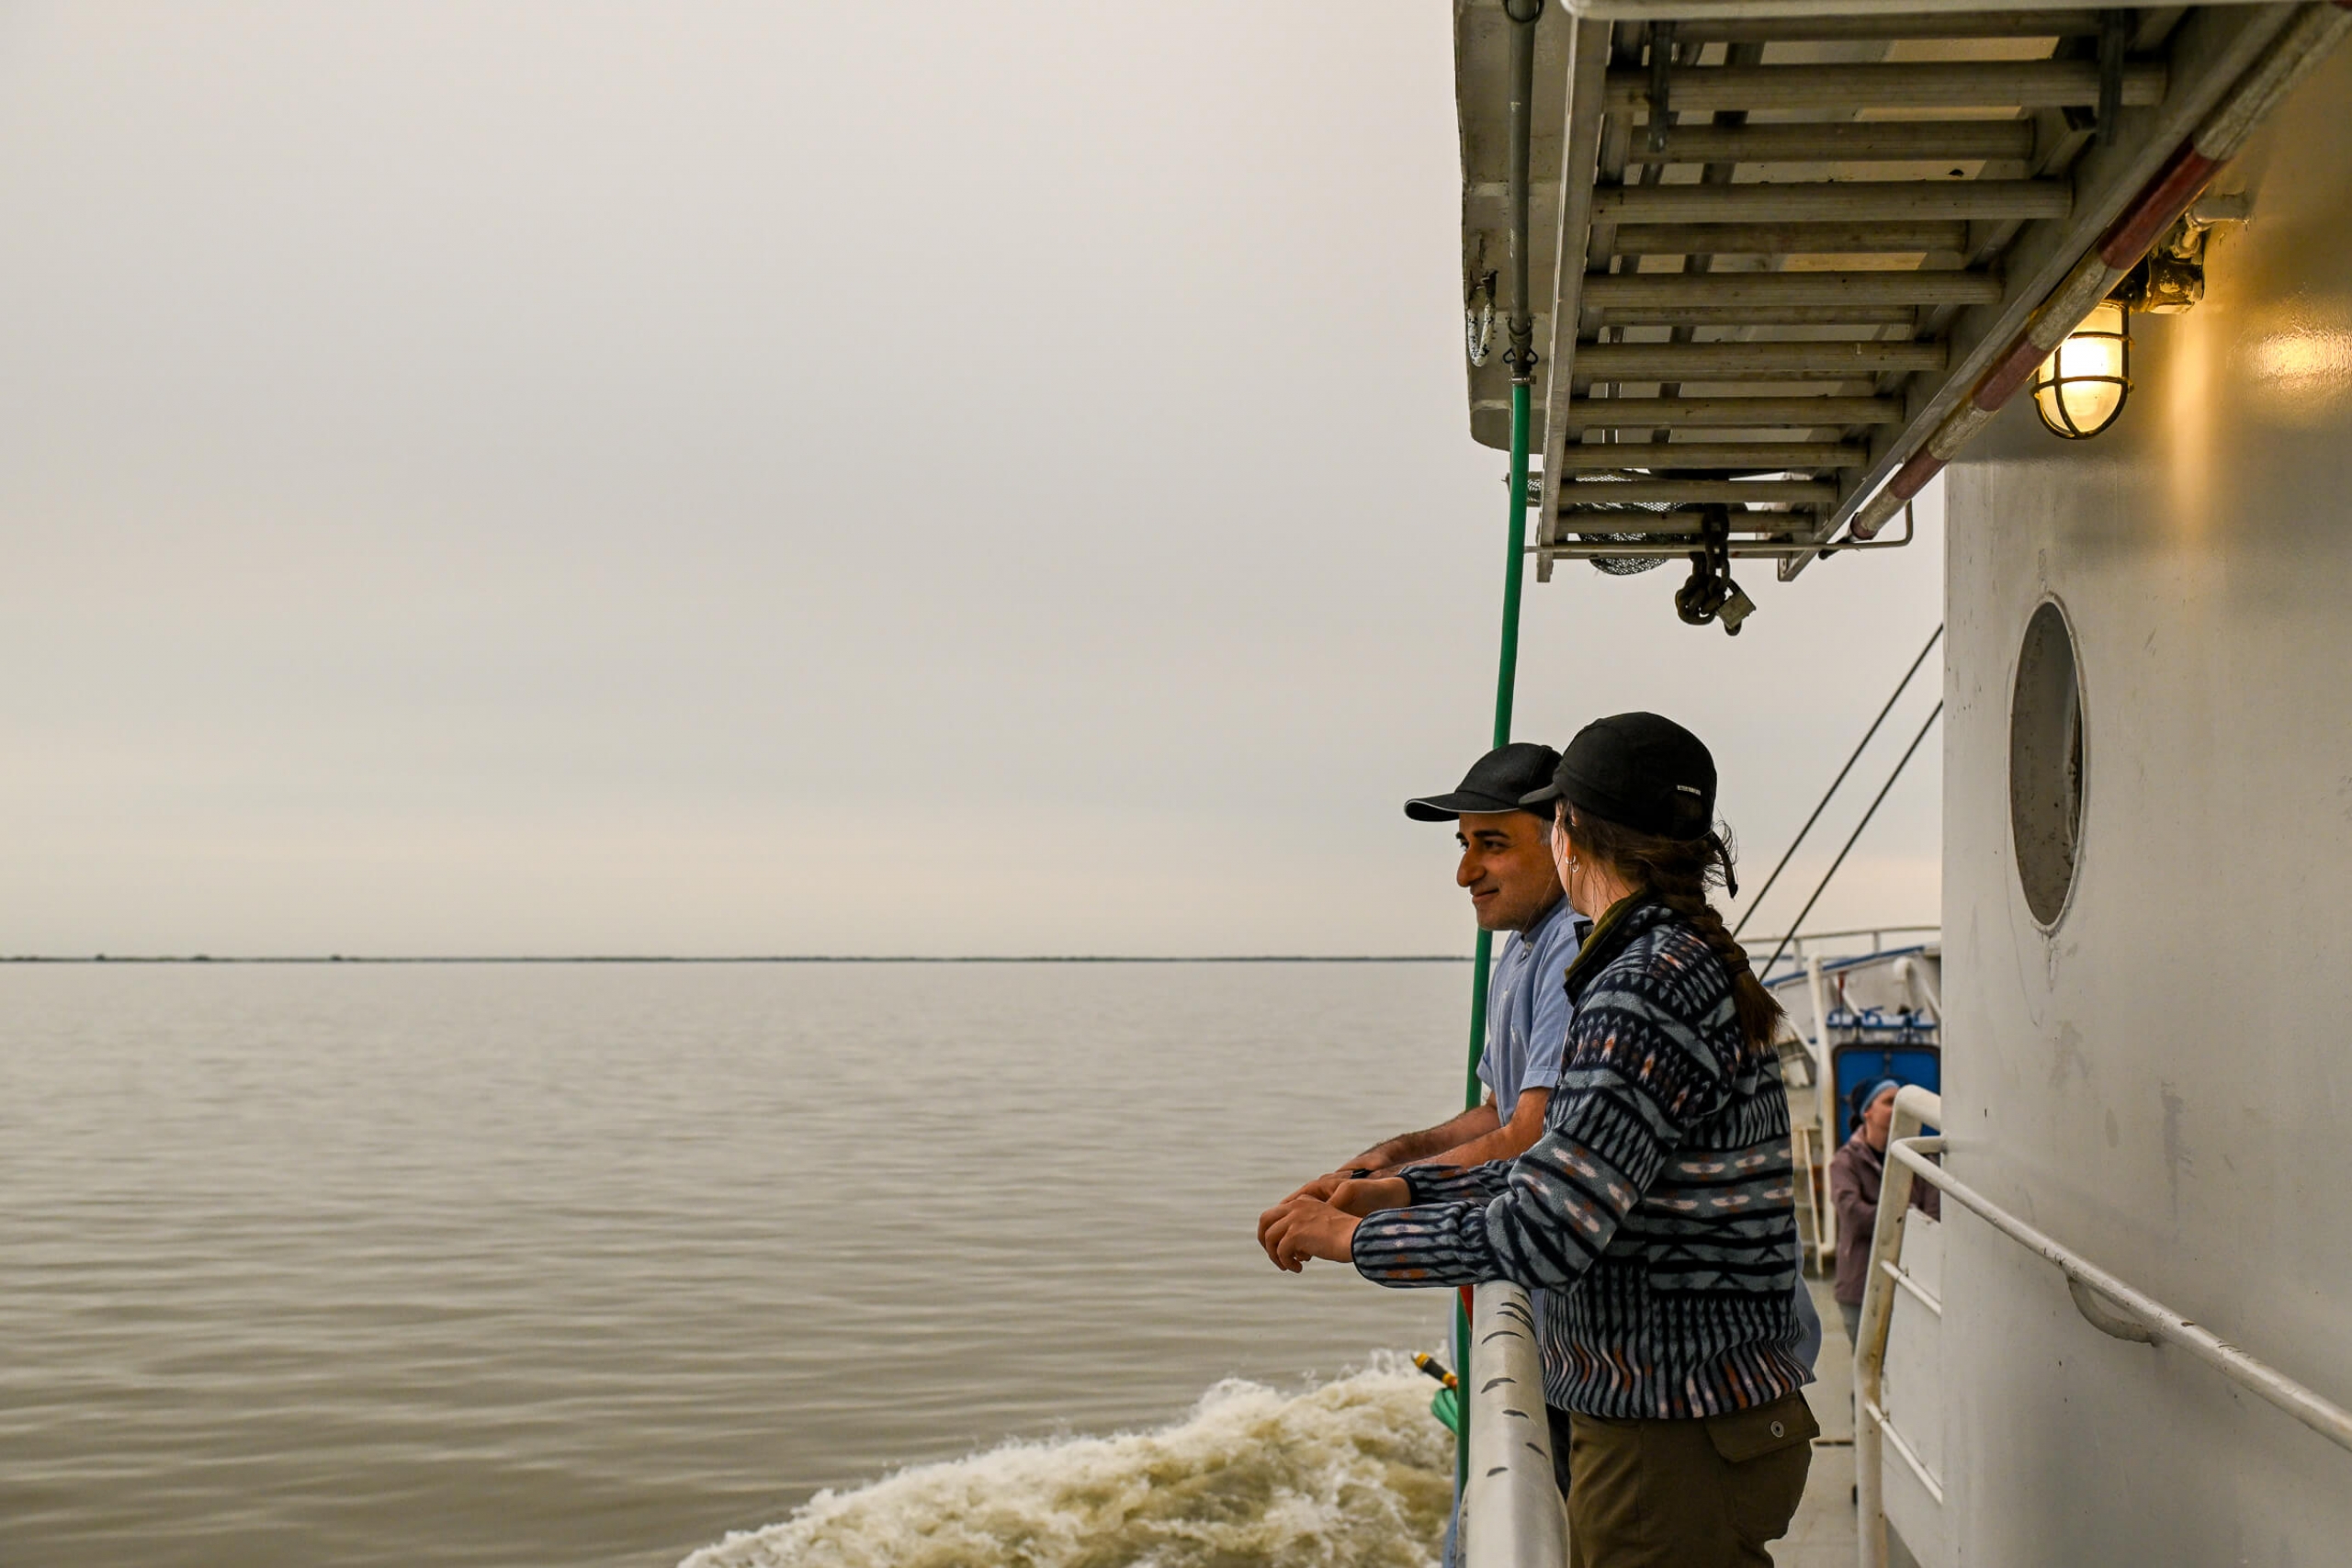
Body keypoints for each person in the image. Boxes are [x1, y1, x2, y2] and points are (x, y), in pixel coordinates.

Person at [1261, 713, 1815, 1568]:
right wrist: (1400, 1188)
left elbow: (1549, 1227)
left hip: (1673, 1432)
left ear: (1571, 834)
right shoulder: (1668, 959)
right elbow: (1565, 1168)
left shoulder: (1644, 985)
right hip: (1690, 1423)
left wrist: (1355, 1237)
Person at [1267, 742, 1580, 1204]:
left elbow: (1533, 1134)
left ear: (1561, 843)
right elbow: (1500, 1113)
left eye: (1492, 845)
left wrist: (1395, 1187)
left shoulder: (1573, 943)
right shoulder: (1523, 941)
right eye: (1464, 844)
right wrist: (1387, 1159)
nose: (1464, 873)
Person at [1830, 1078, 1940, 1347]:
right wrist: (1908, 1214)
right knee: (1867, 1369)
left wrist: (1892, 1215)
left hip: (1912, 1282)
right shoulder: (1845, 1162)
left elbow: (1934, 1217)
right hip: (1860, 1286)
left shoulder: (1922, 1161)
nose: (1898, 1108)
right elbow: (1854, 1216)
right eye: (1889, 1102)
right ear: (1867, 1111)